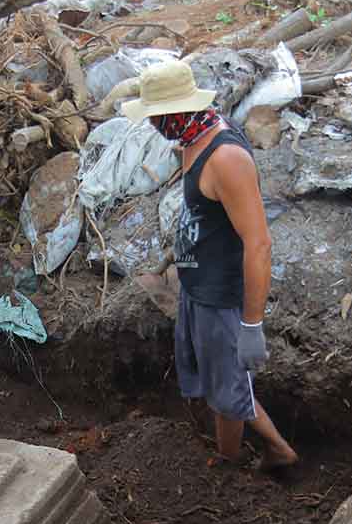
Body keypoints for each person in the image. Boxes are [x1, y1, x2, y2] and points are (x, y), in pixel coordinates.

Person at [122, 60, 298, 470]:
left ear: (177, 112)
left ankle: (228, 468)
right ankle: (279, 449)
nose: (153, 125)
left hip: (222, 298)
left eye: (157, 117)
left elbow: (259, 244)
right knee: (225, 380)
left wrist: (251, 325)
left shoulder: (227, 159)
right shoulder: (193, 137)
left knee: (225, 396)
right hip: (199, 288)